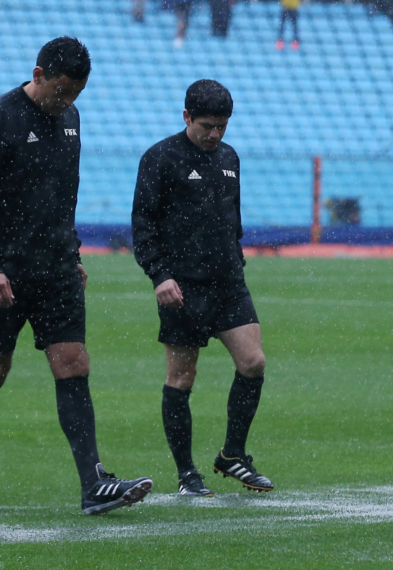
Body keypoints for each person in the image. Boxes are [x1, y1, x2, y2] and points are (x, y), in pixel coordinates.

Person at [0, 37, 152, 515]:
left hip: (58, 269)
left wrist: (73, 252)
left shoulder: (70, 118)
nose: (66, 102)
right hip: (6, 273)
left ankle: (93, 485)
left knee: (74, 364)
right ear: (39, 73)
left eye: (75, 95)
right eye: (61, 91)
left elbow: (62, 194)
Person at [132, 79, 274, 497]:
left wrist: (237, 259)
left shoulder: (230, 157)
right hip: (182, 287)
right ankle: (186, 475)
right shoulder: (161, 158)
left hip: (228, 283)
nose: (215, 135)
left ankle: (233, 455)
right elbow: (143, 226)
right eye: (207, 126)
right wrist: (159, 275)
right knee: (181, 377)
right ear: (186, 117)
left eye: (222, 127)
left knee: (254, 362)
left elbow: (234, 218)